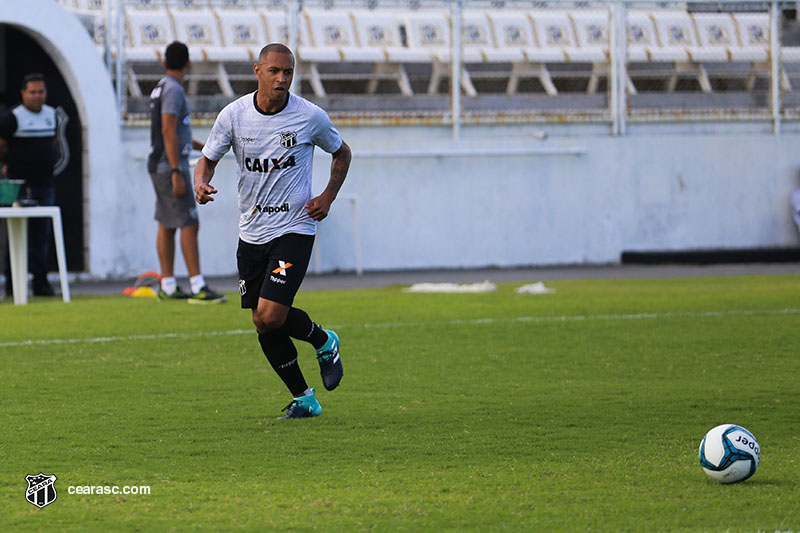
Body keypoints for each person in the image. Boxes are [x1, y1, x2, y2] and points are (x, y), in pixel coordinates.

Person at [194, 43, 352, 419]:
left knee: (272, 314)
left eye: (288, 72)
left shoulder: (309, 117)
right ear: (257, 71)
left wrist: (327, 196)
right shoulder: (234, 116)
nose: (282, 79)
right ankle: (304, 398)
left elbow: (342, 152)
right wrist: (201, 183)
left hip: (295, 228)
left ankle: (323, 340)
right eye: (275, 71)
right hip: (251, 233)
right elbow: (207, 159)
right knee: (262, 322)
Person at [148, 41, 225, 304]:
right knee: (189, 223)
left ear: (164, 63)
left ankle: (168, 285)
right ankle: (198, 286)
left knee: (167, 223)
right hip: (169, 166)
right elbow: (168, 130)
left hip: (159, 162)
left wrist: (201, 146)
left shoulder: (160, 87)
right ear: (188, 64)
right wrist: (175, 171)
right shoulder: (174, 90)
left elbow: (170, 131)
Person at [0, 73, 61, 297]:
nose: (37, 96)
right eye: (33, 92)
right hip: (18, 185)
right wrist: (8, 164)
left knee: (41, 236)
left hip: (44, 183)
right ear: (23, 93)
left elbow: (53, 142)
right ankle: (12, 285)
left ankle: (41, 284)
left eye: (41, 92)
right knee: (15, 236)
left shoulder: (51, 115)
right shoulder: (12, 117)